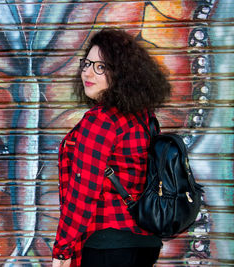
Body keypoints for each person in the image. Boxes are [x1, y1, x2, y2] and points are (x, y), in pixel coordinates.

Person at [51, 28, 172, 267]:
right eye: (87, 64)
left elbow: (83, 191)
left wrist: (62, 249)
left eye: (101, 67)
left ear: (121, 74)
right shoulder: (144, 119)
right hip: (145, 242)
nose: (88, 72)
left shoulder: (101, 120)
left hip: (108, 243)